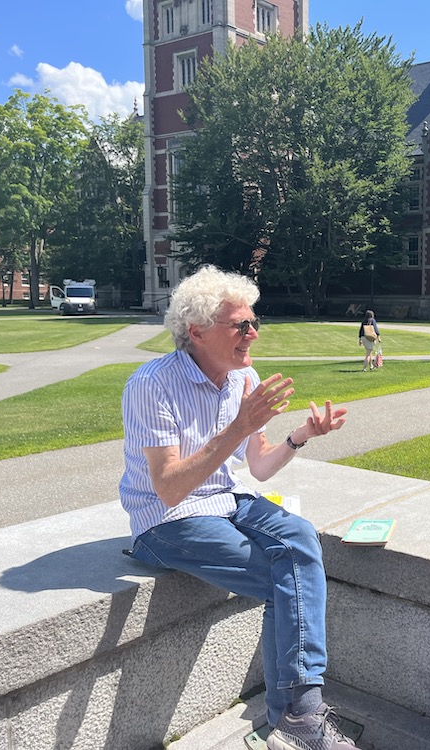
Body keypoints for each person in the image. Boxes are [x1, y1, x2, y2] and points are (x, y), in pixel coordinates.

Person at [119, 265, 357, 750]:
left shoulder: (241, 377)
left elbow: (262, 467)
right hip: (166, 520)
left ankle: (295, 721)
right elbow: (168, 488)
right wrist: (238, 426)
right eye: (240, 325)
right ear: (197, 332)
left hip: (226, 502)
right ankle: (299, 718)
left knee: (301, 536)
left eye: (254, 322)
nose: (252, 333)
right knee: (284, 579)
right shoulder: (151, 384)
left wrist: (303, 435)